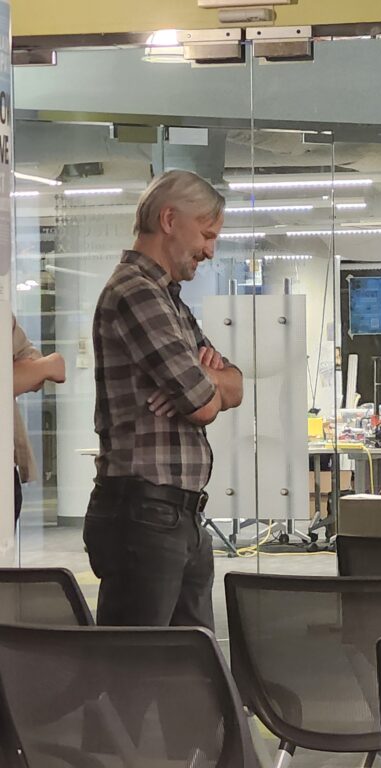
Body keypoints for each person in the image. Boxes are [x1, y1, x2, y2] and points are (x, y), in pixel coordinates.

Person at [85, 169, 244, 630]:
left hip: (176, 517)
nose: (210, 251)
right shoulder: (136, 293)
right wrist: (203, 384)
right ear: (169, 220)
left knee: (189, 662)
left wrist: (205, 377)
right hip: (144, 516)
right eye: (207, 235)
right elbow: (203, 405)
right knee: (136, 664)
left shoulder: (170, 299)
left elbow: (235, 385)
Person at [12, 318, 66, 524]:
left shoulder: (2, 313)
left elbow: (37, 364)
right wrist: (45, 366)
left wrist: (40, 368)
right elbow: (44, 366)